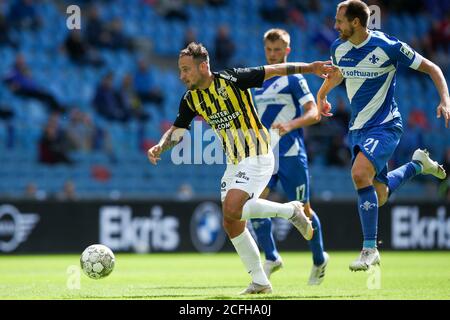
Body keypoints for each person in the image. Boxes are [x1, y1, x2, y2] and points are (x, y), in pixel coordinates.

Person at [147, 42, 332, 294]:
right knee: (231, 222)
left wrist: (310, 68)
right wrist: (161, 145)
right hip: (234, 162)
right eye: (180, 70)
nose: (182, 76)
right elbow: (178, 130)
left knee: (233, 208)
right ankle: (260, 282)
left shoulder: (233, 79)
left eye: (186, 69)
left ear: (203, 67)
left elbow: (275, 69)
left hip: (258, 154)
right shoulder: (191, 99)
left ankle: (291, 210)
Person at [317, 0, 449, 272]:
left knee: (358, 174)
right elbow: (341, 73)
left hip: (386, 124)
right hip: (358, 128)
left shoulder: (388, 46)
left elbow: (433, 68)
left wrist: (445, 100)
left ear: (355, 22)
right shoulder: (337, 48)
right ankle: (417, 165)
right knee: (379, 195)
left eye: (340, 20)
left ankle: (369, 249)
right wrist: (322, 94)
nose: (335, 25)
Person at [251, 28, 328, 285]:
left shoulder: (295, 79)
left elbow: (313, 113)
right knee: (254, 205)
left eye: (278, 50)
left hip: (291, 153)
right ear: (265, 50)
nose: (273, 55)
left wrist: (291, 125)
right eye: (269, 50)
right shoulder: (257, 81)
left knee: (303, 211)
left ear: (288, 51)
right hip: (264, 156)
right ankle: (272, 257)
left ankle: (319, 260)